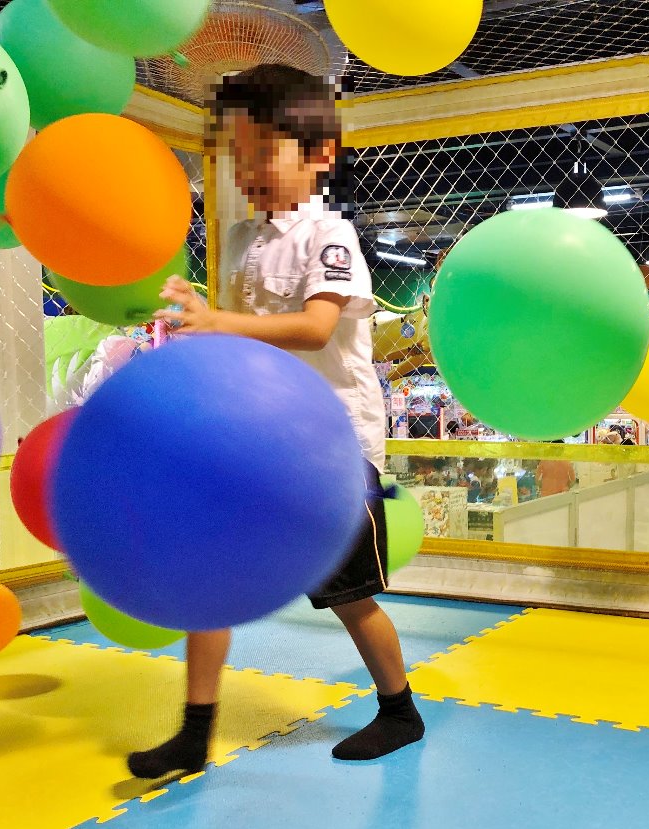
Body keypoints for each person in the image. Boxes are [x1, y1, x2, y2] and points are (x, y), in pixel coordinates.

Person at [132, 64, 424, 778]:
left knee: (349, 596)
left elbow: (318, 328)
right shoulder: (237, 239)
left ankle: (399, 710)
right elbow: (239, 339)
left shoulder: (331, 235)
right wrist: (190, 328)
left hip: (331, 447)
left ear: (320, 155)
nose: (249, 168)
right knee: (208, 578)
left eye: (265, 150)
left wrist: (217, 319)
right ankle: (195, 730)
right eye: (238, 154)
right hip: (259, 442)